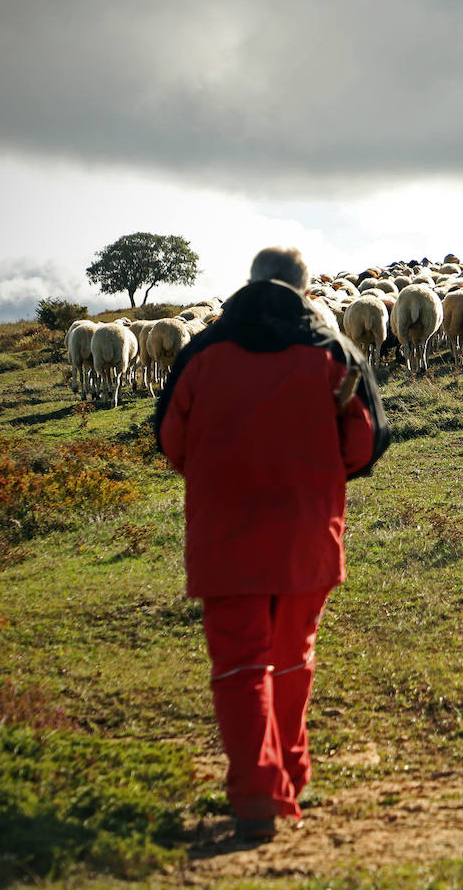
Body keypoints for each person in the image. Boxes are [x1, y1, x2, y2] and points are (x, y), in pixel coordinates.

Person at [154, 247, 388, 840]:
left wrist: (219, 471)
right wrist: (314, 471)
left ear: (250, 283)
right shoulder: (333, 352)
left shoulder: (201, 351)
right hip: (306, 534)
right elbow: (364, 443)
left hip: (224, 535)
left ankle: (258, 799)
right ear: (306, 292)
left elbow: (171, 439)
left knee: (240, 665)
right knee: (291, 657)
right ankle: (292, 771)